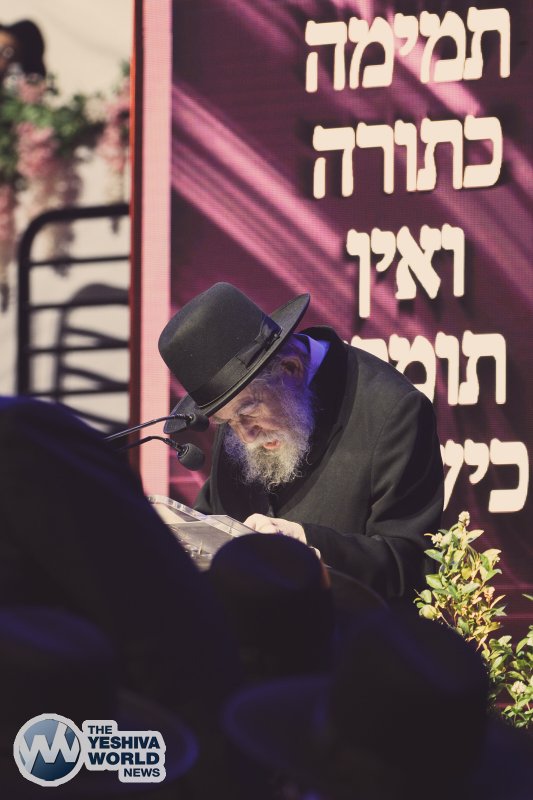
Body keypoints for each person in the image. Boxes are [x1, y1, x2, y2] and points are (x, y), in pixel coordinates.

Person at [158, 282, 444, 603]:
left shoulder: (393, 412)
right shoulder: (239, 407)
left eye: (248, 413)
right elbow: (215, 518)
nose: (246, 437)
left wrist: (304, 542)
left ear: (291, 368)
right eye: (226, 423)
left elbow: (411, 565)